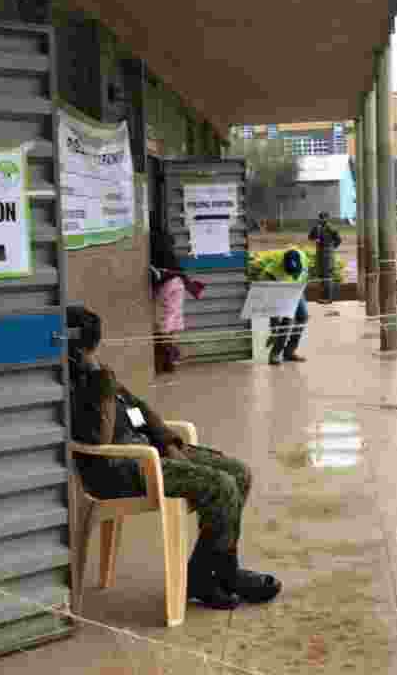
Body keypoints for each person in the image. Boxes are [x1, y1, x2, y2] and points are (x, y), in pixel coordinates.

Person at [66, 306, 281, 610]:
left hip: (148, 455)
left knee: (238, 472)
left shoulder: (100, 375)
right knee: (220, 485)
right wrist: (97, 377)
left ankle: (211, 572)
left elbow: (136, 409)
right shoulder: (72, 385)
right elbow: (98, 438)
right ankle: (217, 575)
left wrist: (168, 442)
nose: (93, 350)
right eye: (87, 345)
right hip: (120, 470)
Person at [149, 230, 203, 374]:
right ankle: (170, 356)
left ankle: (169, 354)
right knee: (171, 320)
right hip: (177, 285)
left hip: (165, 287)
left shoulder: (153, 254)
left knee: (163, 322)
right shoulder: (170, 255)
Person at [249, 246, 310, 365]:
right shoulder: (272, 270)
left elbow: (305, 275)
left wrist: (299, 289)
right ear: (283, 265)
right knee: (287, 321)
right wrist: (274, 326)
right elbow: (269, 297)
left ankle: (289, 352)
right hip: (278, 288)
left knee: (303, 316)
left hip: (296, 287)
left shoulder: (302, 257)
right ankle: (275, 354)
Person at [309, 212, 342, 307]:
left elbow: (339, 240)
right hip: (319, 253)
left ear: (327, 218)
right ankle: (323, 297)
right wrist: (315, 232)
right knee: (322, 275)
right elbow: (310, 237)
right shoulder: (317, 227)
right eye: (320, 218)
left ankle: (328, 298)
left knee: (328, 276)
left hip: (327, 253)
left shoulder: (331, 228)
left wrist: (331, 248)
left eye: (323, 218)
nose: (322, 220)